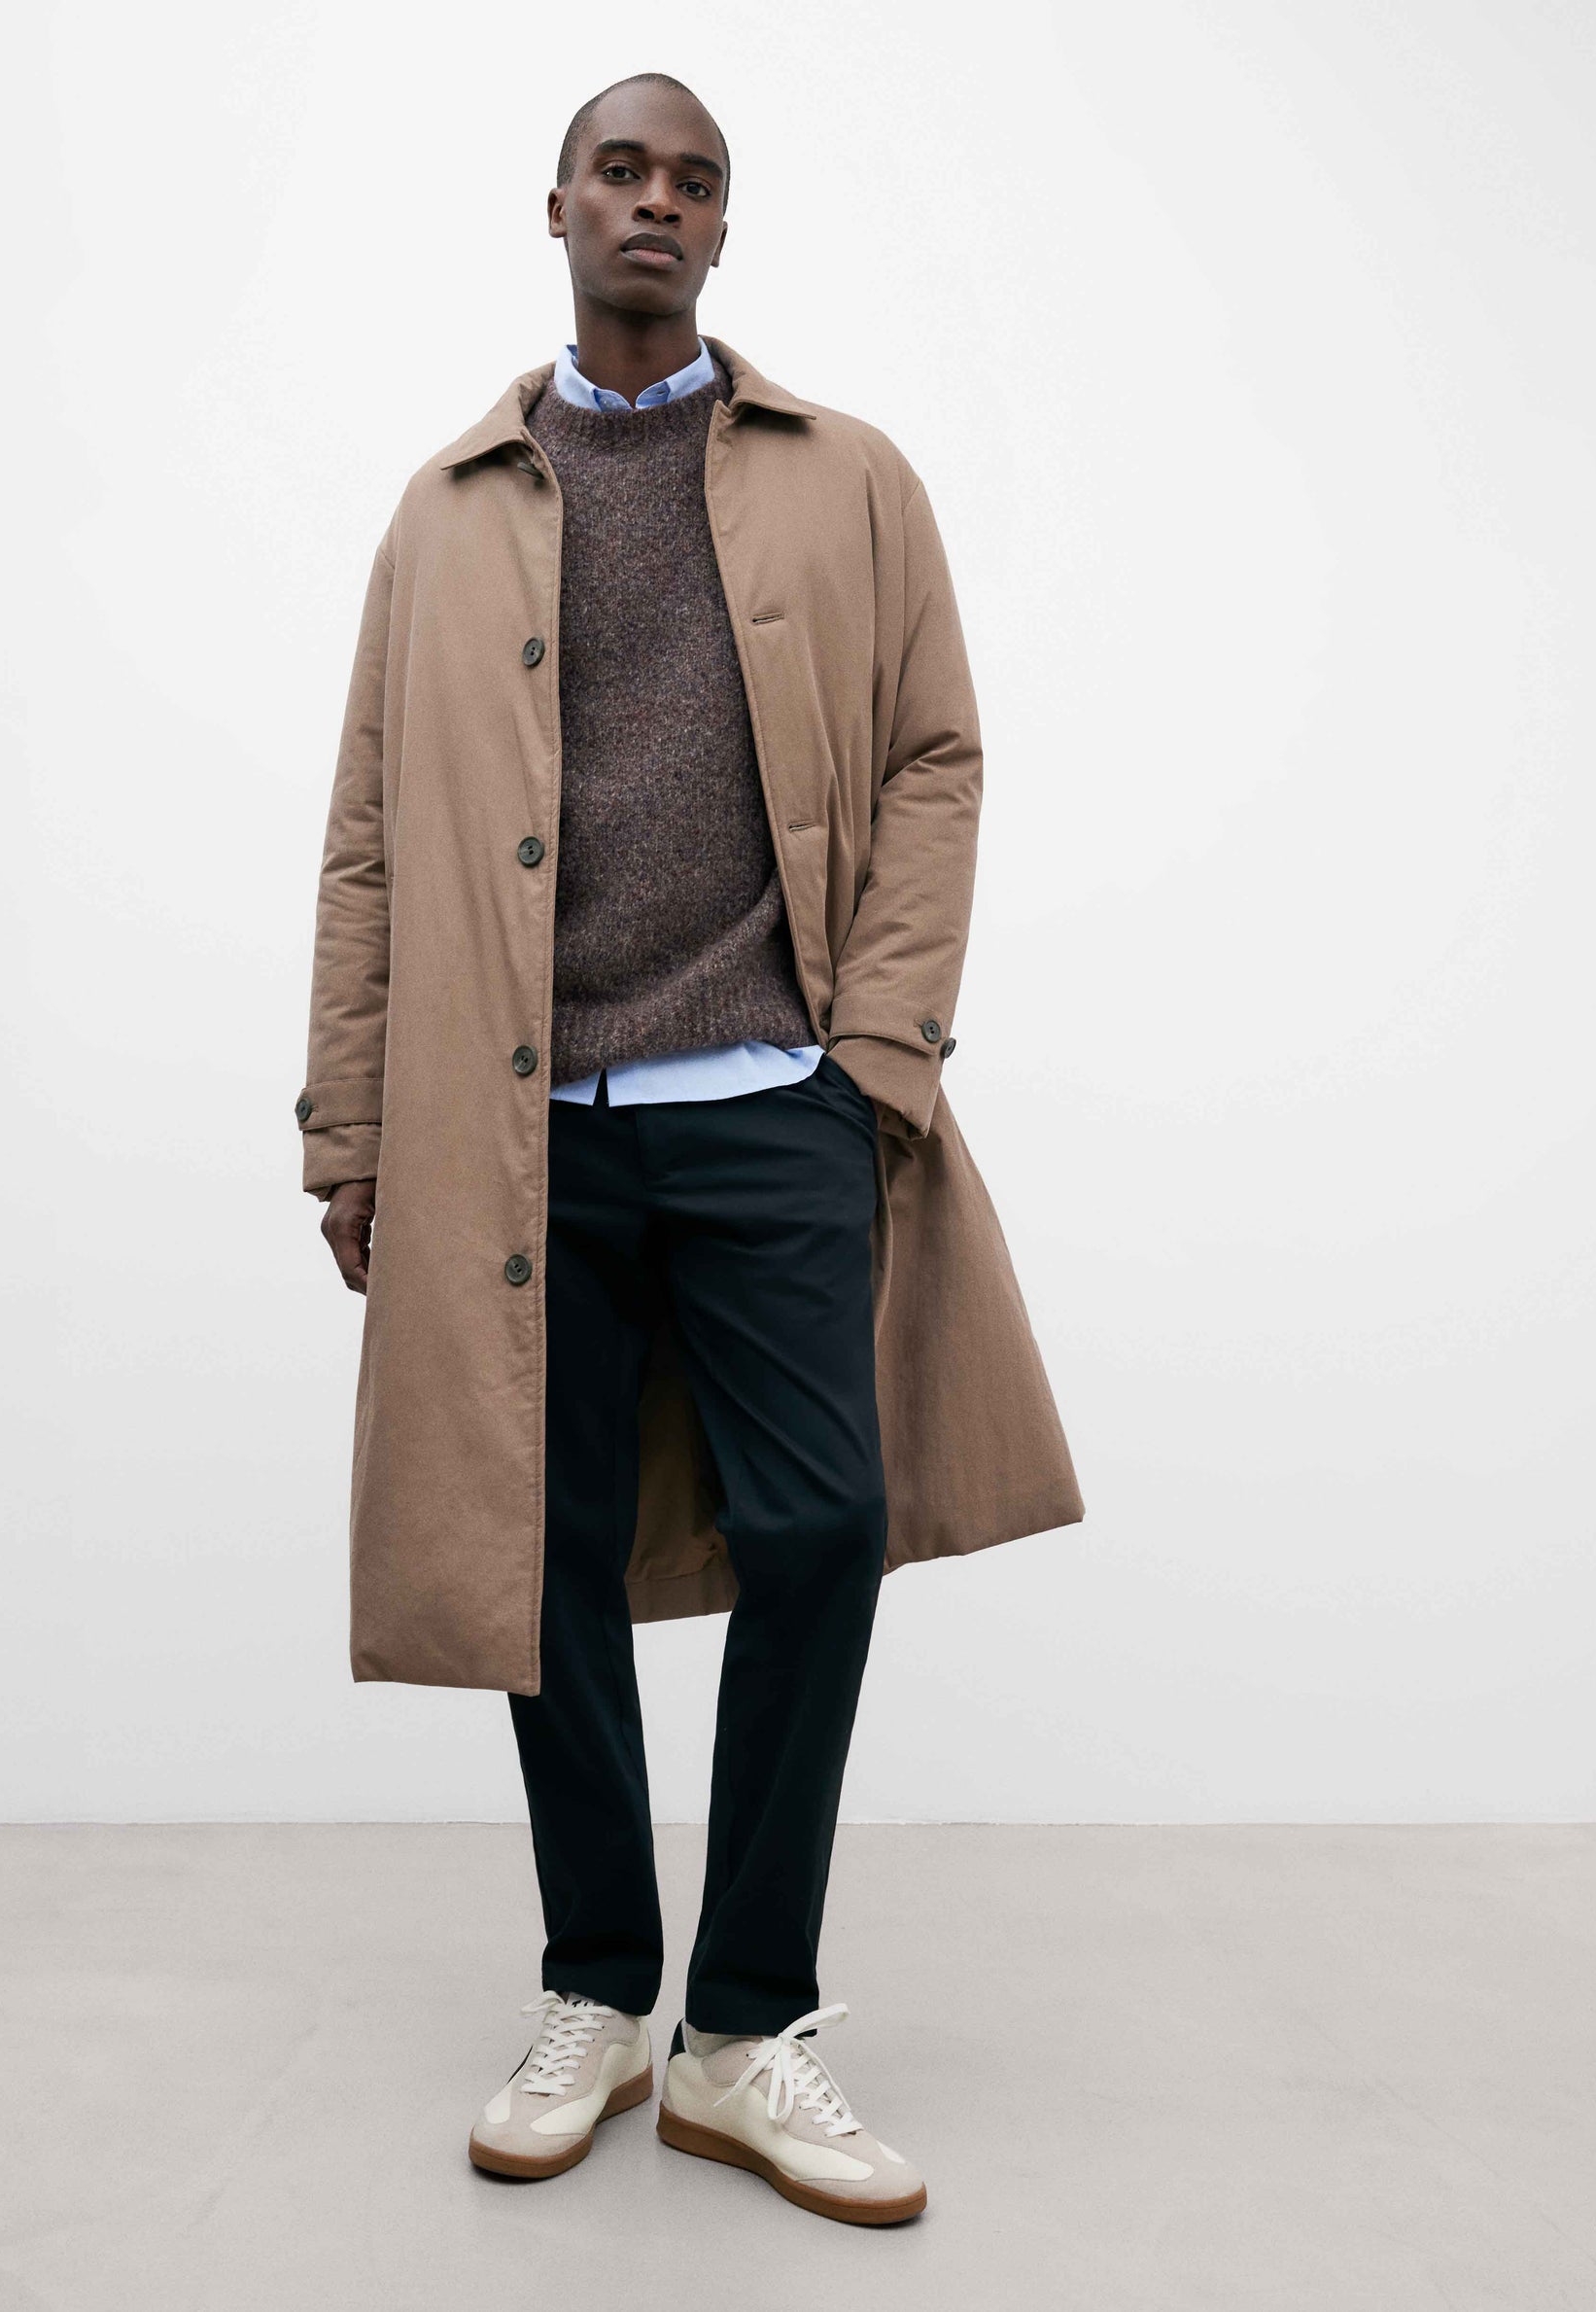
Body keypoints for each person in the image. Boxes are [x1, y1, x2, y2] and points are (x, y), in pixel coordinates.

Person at [297, 72, 1082, 2225]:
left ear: (726, 229)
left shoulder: (852, 480)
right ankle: (597, 1987)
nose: (655, 201)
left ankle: (745, 2025)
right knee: (541, 1563)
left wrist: (877, 1060)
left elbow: (934, 756)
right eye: (622, 171)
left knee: (821, 1527)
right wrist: (352, 1126)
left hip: (770, 1105)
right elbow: (367, 838)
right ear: (556, 206)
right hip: (516, 1137)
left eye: (695, 180)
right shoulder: (444, 512)